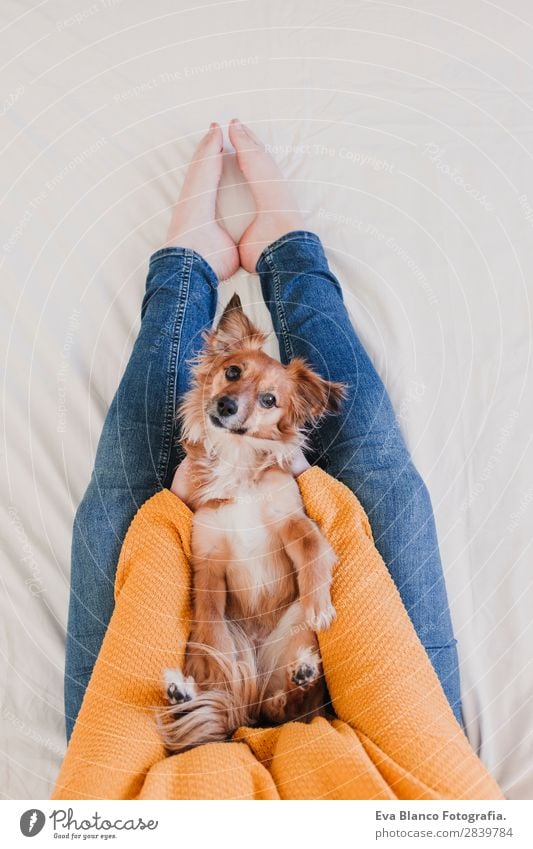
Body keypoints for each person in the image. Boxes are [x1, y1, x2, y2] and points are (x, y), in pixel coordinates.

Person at [64, 120, 462, 741]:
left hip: (154, 754)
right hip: (380, 753)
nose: (240, 398)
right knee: (385, 480)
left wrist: (173, 506)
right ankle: (288, 252)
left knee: (119, 496)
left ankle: (186, 267)